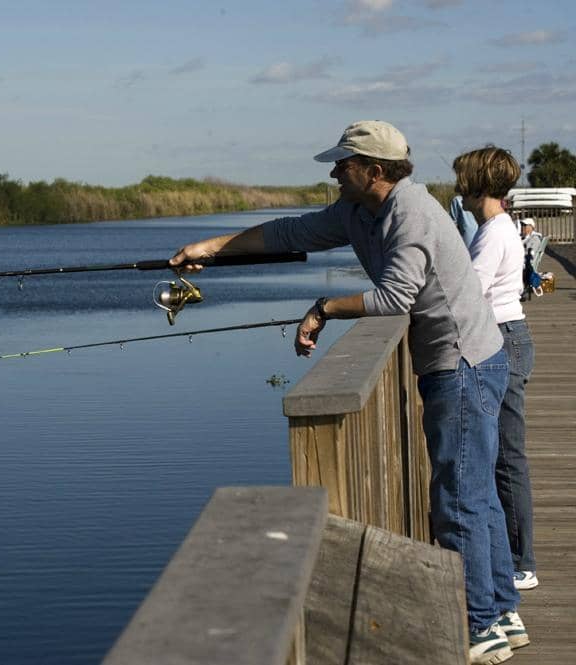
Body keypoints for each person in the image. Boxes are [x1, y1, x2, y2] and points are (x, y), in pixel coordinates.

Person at [169, 121, 524, 664]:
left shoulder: (411, 213)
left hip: (464, 365)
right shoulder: (360, 210)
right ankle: (500, 612)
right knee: (474, 492)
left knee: (458, 499)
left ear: (374, 171)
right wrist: (213, 247)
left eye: (343, 164)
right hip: (467, 361)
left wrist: (323, 308)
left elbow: (394, 297)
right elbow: (289, 234)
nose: (334, 172)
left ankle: (478, 627)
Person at [454, 148, 539, 596]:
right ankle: (516, 553)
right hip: (508, 335)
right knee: (506, 454)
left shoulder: (492, 234)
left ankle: (523, 561)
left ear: (477, 185)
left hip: (503, 339)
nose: (458, 190)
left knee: (507, 457)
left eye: (462, 181)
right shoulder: (496, 228)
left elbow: (470, 292)